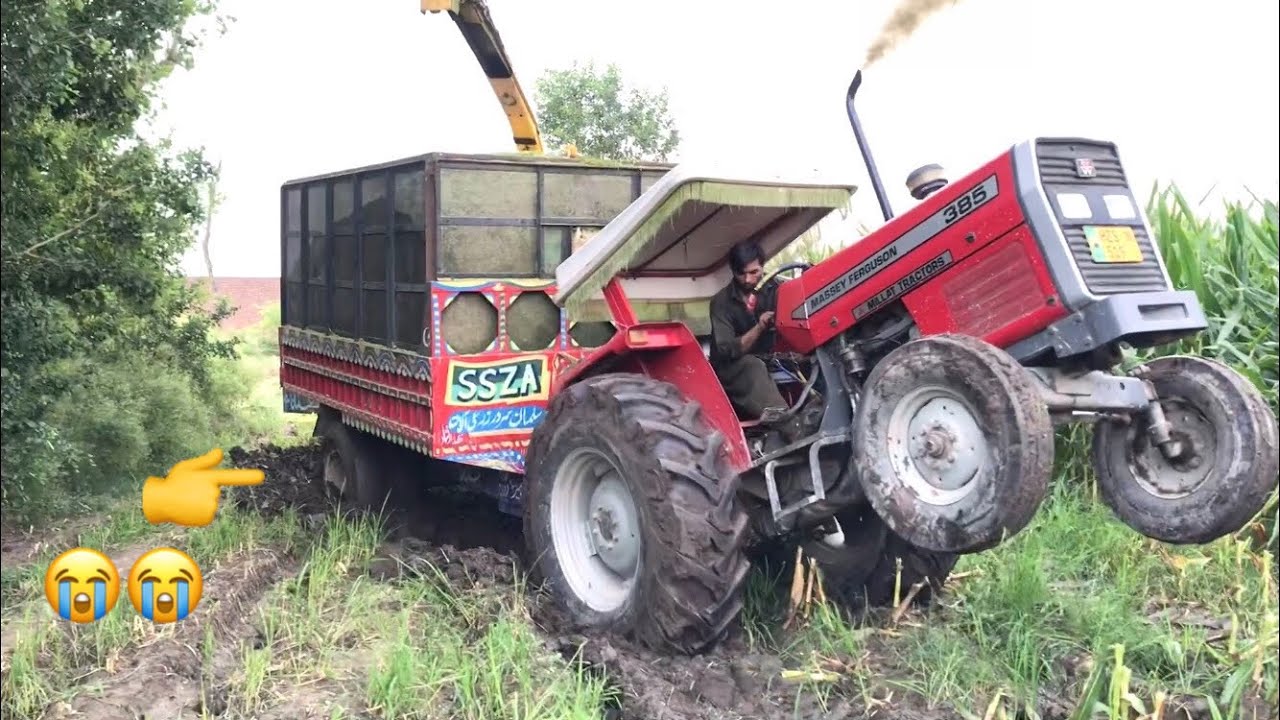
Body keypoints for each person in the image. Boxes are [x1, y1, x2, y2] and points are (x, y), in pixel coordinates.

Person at [708, 240, 794, 429]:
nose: (747, 280)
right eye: (741, 273)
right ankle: (789, 425)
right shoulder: (721, 303)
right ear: (733, 271)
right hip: (732, 367)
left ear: (763, 266)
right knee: (752, 365)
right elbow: (727, 350)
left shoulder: (778, 289)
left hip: (771, 357)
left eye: (754, 272)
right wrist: (760, 327)